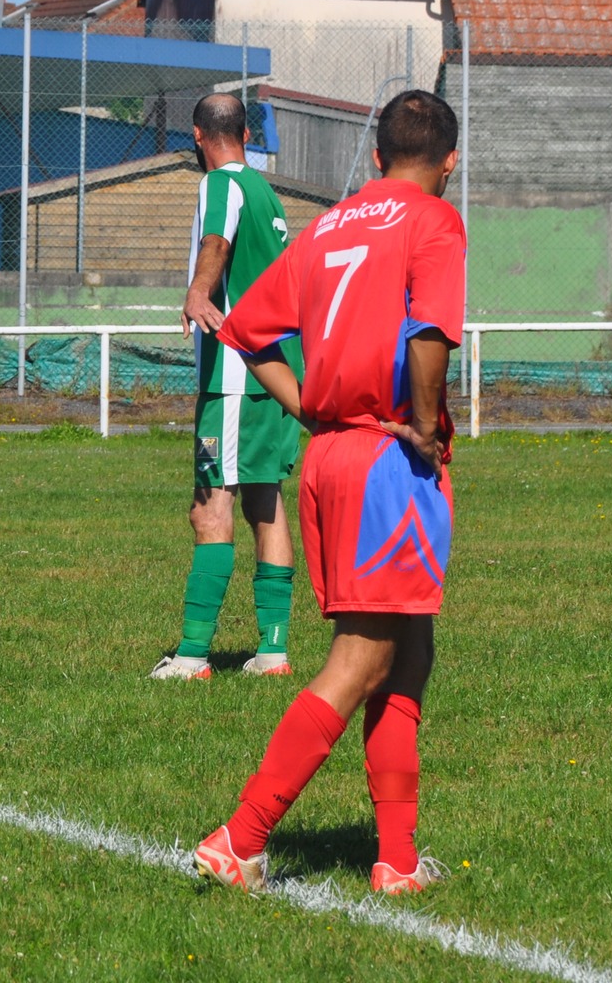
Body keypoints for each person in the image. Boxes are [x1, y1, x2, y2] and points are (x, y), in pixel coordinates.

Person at [192, 89, 465, 896]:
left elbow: (245, 330)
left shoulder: (330, 226)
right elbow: (430, 332)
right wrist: (424, 426)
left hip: (334, 452)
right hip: (388, 456)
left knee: (409, 651)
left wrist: (309, 407)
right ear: (450, 162)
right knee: (361, 658)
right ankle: (239, 839)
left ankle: (397, 860)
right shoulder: (434, 220)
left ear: (377, 156)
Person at [151, 93, 304, 681]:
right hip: (277, 375)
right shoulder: (267, 191)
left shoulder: (221, 183)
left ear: (197, 136)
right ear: (246, 132)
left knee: (209, 508)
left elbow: (215, 242)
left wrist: (197, 291)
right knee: (266, 501)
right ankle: (272, 653)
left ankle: (192, 656)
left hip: (236, 378)